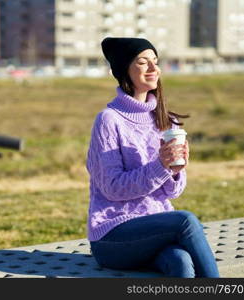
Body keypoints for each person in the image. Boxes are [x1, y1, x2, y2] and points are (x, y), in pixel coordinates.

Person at [86, 37, 220, 278]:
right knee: (185, 221)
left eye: (155, 62)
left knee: (180, 262)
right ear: (123, 70)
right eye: (143, 62)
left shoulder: (166, 121)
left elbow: (171, 193)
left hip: (154, 230)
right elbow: (112, 188)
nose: (153, 68)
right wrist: (160, 166)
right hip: (112, 236)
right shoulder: (109, 120)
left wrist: (175, 170)